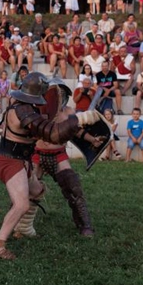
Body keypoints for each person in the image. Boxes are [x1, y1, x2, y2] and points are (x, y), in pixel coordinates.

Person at [0, 72, 101, 260]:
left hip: (24, 159)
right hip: (12, 161)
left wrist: (84, 131)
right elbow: (51, 133)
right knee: (21, 203)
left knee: (38, 189)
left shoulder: (26, 107)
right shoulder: (24, 111)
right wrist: (80, 119)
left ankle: (24, 227)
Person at [28, 78, 99, 238]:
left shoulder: (68, 113)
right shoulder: (38, 110)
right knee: (28, 189)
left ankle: (85, 225)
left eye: (60, 93)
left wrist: (92, 140)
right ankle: (22, 225)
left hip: (58, 154)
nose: (58, 97)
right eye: (55, 93)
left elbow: (77, 131)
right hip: (37, 154)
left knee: (73, 187)